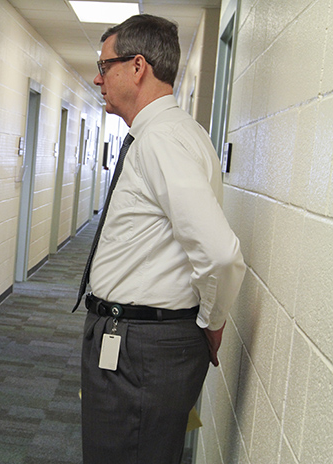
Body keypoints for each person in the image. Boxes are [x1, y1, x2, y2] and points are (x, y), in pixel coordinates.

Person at [73, 15, 246, 464]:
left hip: (141, 350)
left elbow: (221, 254)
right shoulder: (162, 136)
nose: (97, 77)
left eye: (104, 65)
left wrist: (213, 321)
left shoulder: (163, 140)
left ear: (137, 66)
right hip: (135, 342)